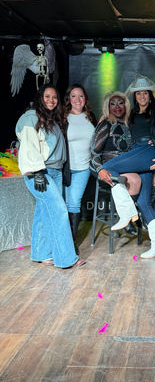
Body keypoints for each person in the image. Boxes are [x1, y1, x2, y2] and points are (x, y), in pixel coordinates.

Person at [15, 84, 85, 268]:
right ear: (40, 98)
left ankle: (40, 252)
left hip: (55, 171)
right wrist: (37, 172)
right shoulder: (31, 117)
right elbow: (29, 146)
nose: (51, 100)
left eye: (54, 97)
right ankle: (66, 258)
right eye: (47, 96)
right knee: (59, 210)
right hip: (40, 172)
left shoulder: (52, 119)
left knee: (43, 211)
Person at [102, 75, 155, 259]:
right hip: (138, 151)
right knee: (143, 203)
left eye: (145, 93)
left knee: (108, 167)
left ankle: (127, 211)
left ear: (149, 94)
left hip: (149, 151)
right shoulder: (132, 113)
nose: (142, 96)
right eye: (138, 93)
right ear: (135, 95)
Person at [63, 85, 96, 252]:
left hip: (83, 168)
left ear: (85, 99)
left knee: (74, 203)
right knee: (64, 205)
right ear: (69, 99)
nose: (77, 100)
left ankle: (70, 244)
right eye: (74, 96)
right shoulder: (62, 117)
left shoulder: (90, 117)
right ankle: (62, 242)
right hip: (66, 169)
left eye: (81, 96)